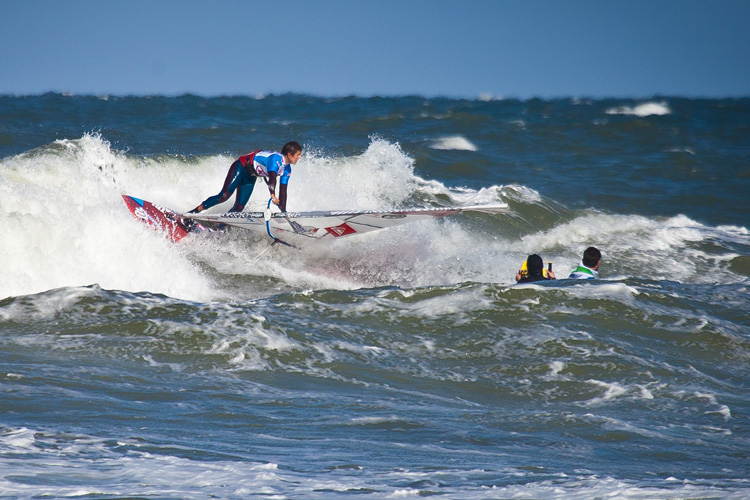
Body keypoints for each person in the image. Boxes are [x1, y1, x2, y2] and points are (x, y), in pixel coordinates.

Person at [189, 141, 303, 214]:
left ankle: (220, 227)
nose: (300, 157)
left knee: (239, 208)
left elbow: (284, 190)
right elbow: (272, 179)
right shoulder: (276, 159)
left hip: (250, 177)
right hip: (240, 168)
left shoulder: (287, 169)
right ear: (289, 154)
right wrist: (272, 195)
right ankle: (193, 213)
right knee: (224, 196)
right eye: (298, 154)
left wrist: (283, 211)